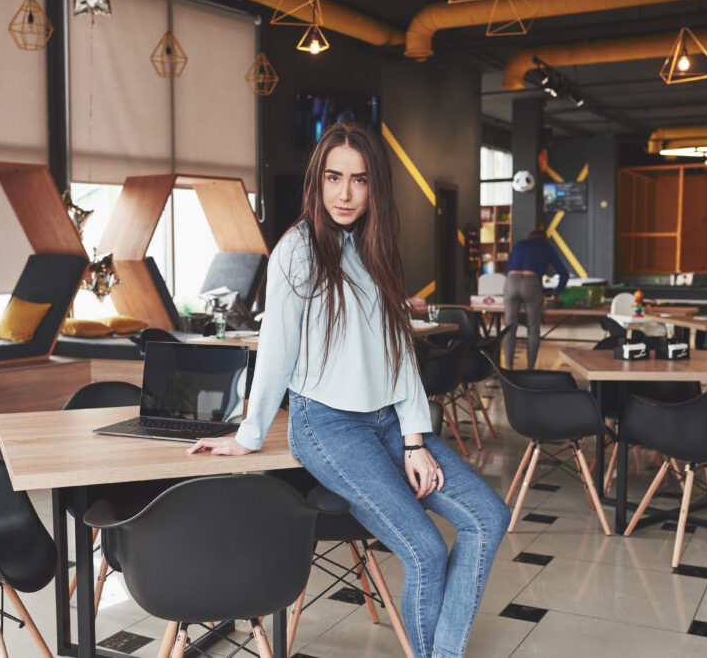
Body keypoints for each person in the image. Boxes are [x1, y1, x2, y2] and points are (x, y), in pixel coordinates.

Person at [188, 123, 509, 658]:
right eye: (334, 177)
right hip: (328, 426)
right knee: (426, 553)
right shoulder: (297, 250)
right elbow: (277, 349)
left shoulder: (374, 247)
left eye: (359, 181)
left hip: (387, 422)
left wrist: (414, 440)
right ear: (318, 181)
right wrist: (249, 434)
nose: (345, 193)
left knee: (488, 518)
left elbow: (399, 352)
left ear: (373, 188)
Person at [502, 228, 569, 369]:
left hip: (510, 282)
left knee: (509, 328)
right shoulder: (546, 247)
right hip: (531, 283)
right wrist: (556, 293)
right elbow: (564, 274)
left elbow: (507, 268)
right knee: (533, 329)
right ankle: (530, 369)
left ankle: (508, 368)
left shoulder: (519, 244)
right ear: (545, 239)